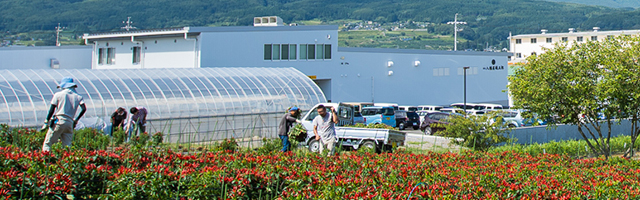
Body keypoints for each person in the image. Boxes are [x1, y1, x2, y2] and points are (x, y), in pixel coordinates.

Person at [42, 77, 87, 152]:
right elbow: (84, 109)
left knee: (48, 143)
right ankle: (67, 161)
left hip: (59, 121)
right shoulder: (78, 96)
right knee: (67, 146)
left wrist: (46, 121)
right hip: (69, 122)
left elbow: (52, 109)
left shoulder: (58, 95)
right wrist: (76, 120)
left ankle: (46, 160)